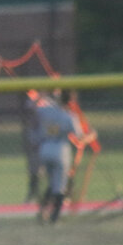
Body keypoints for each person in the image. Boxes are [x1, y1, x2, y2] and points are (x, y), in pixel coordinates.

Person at [35, 89, 97, 223]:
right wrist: (91, 135)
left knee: (52, 182)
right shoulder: (69, 116)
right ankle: (54, 218)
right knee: (60, 186)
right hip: (60, 150)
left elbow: (35, 109)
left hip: (45, 147)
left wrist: (43, 96)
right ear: (70, 101)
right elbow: (80, 138)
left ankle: (43, 210)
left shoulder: (46, 110)